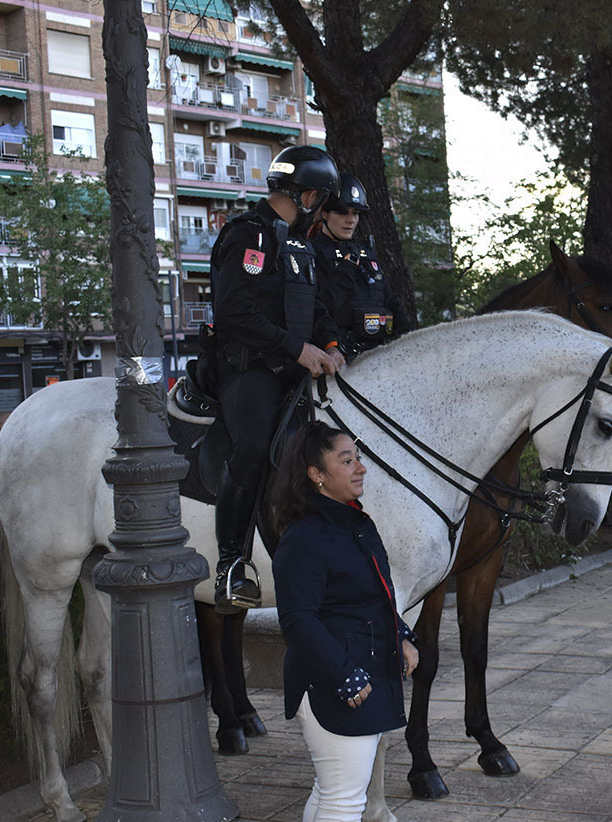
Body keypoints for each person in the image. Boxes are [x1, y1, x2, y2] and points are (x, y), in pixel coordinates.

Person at [210, 144, 345, 612]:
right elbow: (233, 311)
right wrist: (297, 348)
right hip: (248, 370)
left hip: (296, 368)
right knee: (252, 447)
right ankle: (231, 565)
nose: (325, 210)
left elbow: (317, 308)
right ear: (307, 196)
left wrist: (329, 344)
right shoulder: (249, 235)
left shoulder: (299, 244)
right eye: (323, 200)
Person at [271, 421, 419, 822]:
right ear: (316, 475)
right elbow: (298, 620)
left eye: (358, 458)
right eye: (347, 460)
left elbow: (373, 596)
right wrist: (343, 675)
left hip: (362, 674)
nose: (361, 467)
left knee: (333, 792)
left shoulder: (355, 524)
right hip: (336, 684)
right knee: (344, 801)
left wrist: (402, 634)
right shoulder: (305, 538)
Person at [312, 173, 411, 360]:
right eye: (343, 211)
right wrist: (346, 270)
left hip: (380, 355)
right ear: (324, 212)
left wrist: (410, 336)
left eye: (356, 213)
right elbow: (319, 308)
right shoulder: (313, 252)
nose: (350, 220)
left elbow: (389, 300)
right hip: (339, 358)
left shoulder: (366, 252)